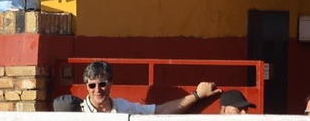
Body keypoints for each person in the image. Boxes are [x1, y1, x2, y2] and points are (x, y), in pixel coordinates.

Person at [75, 60, 221, 114]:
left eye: (101, 84)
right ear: (86, 87)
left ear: (111, 83)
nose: (97, 90)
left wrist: (196, 95)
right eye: (92, 85)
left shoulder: (124, 107)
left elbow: (160, 110)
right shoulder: (76, 112)